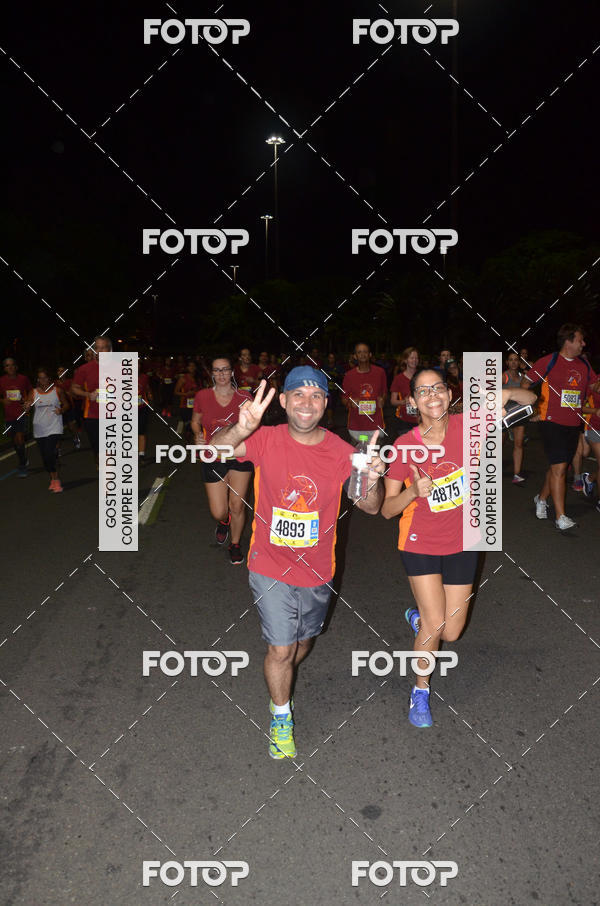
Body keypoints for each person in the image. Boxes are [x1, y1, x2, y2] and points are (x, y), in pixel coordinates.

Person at [212, 368, 384, 759]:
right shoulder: (265, 438)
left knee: (303, 642)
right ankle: (281, 717)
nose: (307, 403)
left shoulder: (343, 451)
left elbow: (370, 507)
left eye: (316, 396)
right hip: (268, 564)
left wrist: (370, 477)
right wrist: (240, 429)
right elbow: (214, 451)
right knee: (281, 651)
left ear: (326, 404)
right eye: (299, 395)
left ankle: (287, 666)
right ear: (285, 402)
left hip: (317, 570)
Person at [382, 369, 536, 728]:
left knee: (452, 632)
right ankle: (420, 690)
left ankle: (421, 619)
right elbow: (388, 509)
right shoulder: (405, 444)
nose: (432, 396)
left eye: (438, 388)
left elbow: (531, 401)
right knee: (436, 626)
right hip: (419, 541)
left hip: (464, 540)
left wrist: (503, 393)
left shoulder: (471, 424)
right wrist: (412, 492)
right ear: (412, 402)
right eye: (423, 391)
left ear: (449, 395)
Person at [522, 324, 599, 530]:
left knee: (561, 466)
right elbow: (525, 383)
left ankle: (541, 498)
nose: (583, 344)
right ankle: (561, 516)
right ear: (568, 341)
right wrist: (533, 407)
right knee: (559, 468)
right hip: (551, 422)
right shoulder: (549, 361)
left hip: (574, 424)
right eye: (580, 340)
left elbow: (594, 387)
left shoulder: (584, 364)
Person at [191, 357, 254, 564]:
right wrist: (197, 435)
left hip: (240, 455)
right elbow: (195, 421)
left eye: (225, 370)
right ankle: (223, 520)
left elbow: (253, 424)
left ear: (232, 372)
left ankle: (235, 544)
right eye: (217, 371)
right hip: (213, 456)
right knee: (219, 510)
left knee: (237, 505)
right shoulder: (202, 395)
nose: (221, 374)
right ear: (212, 374)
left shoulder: (244, 396)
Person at [25, 367, 69, 492]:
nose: (42, 380)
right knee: (45, 457)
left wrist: (61, 410)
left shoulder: (57, 391)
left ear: (49, 378)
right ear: (37, 380)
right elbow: (27, 407)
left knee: (49, 452)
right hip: (39, 428)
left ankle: (56, 480)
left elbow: (66, 404)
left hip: (54, 426)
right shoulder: (34, 392)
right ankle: (52, 478)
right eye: (40, 378)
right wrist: (27, 407)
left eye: (45, 377)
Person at [71, 336, 113, 467]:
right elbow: (74, 388)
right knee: (99, 450)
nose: (100, 351)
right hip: (93, 416)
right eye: (97, 348)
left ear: (109, 350)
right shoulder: (84, 369)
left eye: (103, 347)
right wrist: (88, 394)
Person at [342, 342, 387, 443]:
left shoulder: (380, 372)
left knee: (375, 456)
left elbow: (384, 392)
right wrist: (350, 403)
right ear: (355, 356)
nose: (362, 354)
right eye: (359, 352)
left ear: (370, 354)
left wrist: (383, 400)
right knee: (359, 457)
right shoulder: (349, 375)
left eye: (365, 352)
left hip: (376, 426)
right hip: (356, 427)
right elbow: (344, 398)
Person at [0, 357, 32, 477]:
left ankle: (22, 465)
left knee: (19, 438)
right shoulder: (1, 380)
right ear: (4, 369)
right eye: (7, 366)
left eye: (12, 365)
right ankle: (23, 457)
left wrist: (28, 401)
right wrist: (3, 400)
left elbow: (30, 391)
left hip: (21, 413)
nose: (10, 367)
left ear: (16, 366)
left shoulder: (23, 378)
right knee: (15, 441)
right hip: (9, 416)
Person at [502, 352, 527, 483]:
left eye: (515, 360)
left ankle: (517, 474)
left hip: (518, 414)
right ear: (507, 362)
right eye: (510, 360)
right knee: (499, 444)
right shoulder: (503, 376)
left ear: (519, 362)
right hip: (504, 414)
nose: (513, 362)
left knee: (518, 444)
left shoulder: (522, 376)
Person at [390, 347, 420, 437]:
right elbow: (393, 401)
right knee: (406, 448)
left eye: (416, 358)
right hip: (404, 422)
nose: (414, 360)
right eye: (411, 358)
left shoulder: (423, 376)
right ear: (405, 360)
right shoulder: (398, 379)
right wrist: (404, 401)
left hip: (421, 420)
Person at [56, 366, 82, 450]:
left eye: (62, 371)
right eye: (59, 371)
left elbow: (75, 395)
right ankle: (57, 449)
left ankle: (76, 438)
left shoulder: (70, 381)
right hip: (58, 408)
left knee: (71, 426)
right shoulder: (54, 383)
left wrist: (69, 393)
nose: (61, 373)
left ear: (65, 372)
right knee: (57, 430)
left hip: (69, 407)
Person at [174, 361, 199, 440]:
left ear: (195, 368)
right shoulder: (183, 378)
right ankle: (188, 446)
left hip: (196, 405)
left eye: (193, 366)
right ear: (187, 368)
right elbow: (175, 392)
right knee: (189, 426)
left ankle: (193, 445)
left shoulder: (197, 378)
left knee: (195, 426)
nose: (191, 368)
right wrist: (186, 394)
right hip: (185, 406)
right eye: (190, 366)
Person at [138, 370, 153, 461]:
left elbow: (147, 387)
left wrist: (150, 394)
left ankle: (141, 454)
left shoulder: (144, 377)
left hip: (142, 408)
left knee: (141, 431)